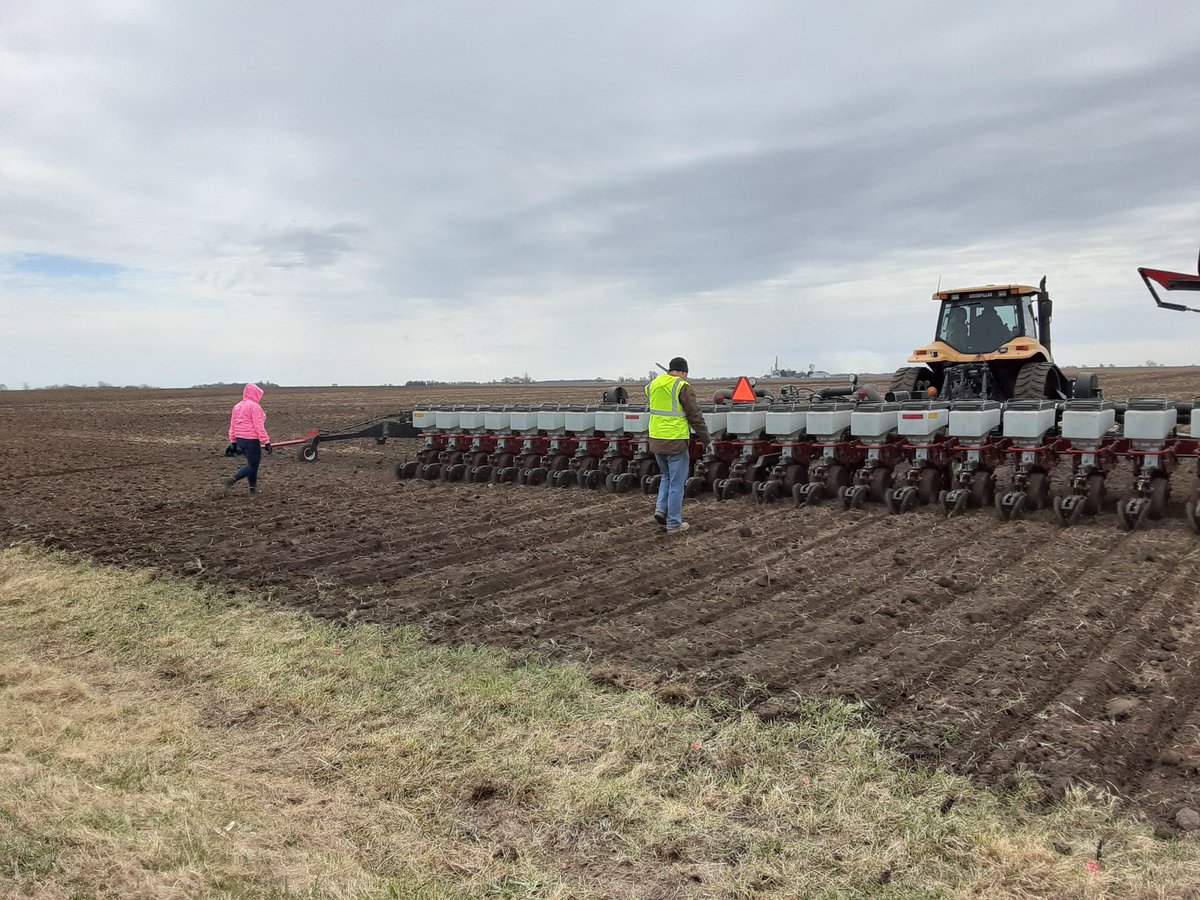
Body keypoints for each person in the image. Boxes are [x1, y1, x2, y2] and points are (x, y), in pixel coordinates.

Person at [645, 357, 711, 534]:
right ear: (682, 372)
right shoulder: (682, 386)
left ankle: (661, 510)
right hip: (675, 441)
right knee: (677, 483)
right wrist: (706, 439)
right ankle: (674, 523)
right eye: (686, 374)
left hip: (656, 439)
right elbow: (694, 416)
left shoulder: (652, 385)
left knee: (666, 476)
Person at [223, 383, 272, 496]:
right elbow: (258, 426)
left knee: (251, 464)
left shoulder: (237, 406)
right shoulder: (254, 407)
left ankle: (252, 490)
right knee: (252, 466)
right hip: (251, 440)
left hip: (240, 439)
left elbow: (233, 424)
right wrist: (267, 441)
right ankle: (230, 480)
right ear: (255, 394)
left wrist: (233, 440)